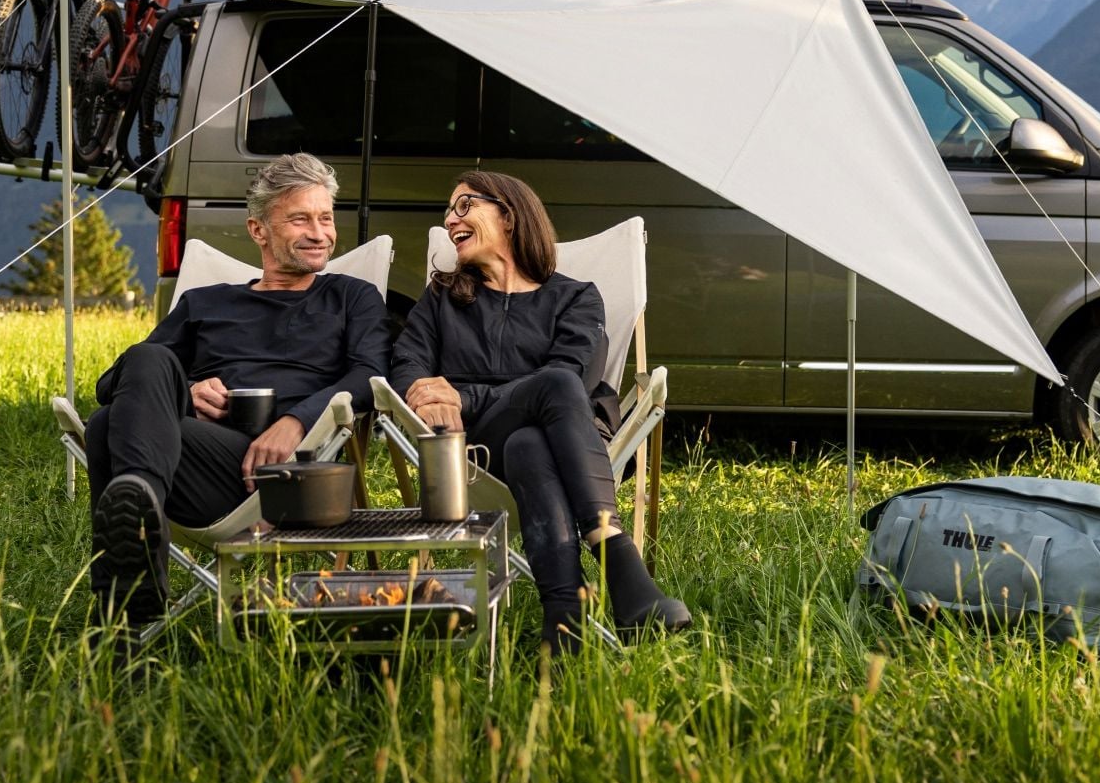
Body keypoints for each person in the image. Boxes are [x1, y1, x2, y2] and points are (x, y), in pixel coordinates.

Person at [391, 170, 690, 650]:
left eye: (464, 205)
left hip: (559, 443)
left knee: (533, 433)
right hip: (476, 450)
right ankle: (620, 563)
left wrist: (462, 396)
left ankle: (562, 626)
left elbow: (568, 378)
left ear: (508, 216)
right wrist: (430, 395)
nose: (450, 220)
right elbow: (408, 365)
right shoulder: (443, 297)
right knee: (543, 395)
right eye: (448, 211)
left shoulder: (575, 298)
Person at [85, 153, 389, 625]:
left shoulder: (350, 297)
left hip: (275, 480)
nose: (319, 232)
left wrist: (295, 422)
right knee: (146, 361)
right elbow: (111, 383)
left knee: (107, 428)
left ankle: (126, 606)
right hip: (193, 459)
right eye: (299, 219)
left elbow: (369, 375)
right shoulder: (205, 302)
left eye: (325, 218)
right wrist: (187, 393)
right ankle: (140, 513)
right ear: (258, 230)